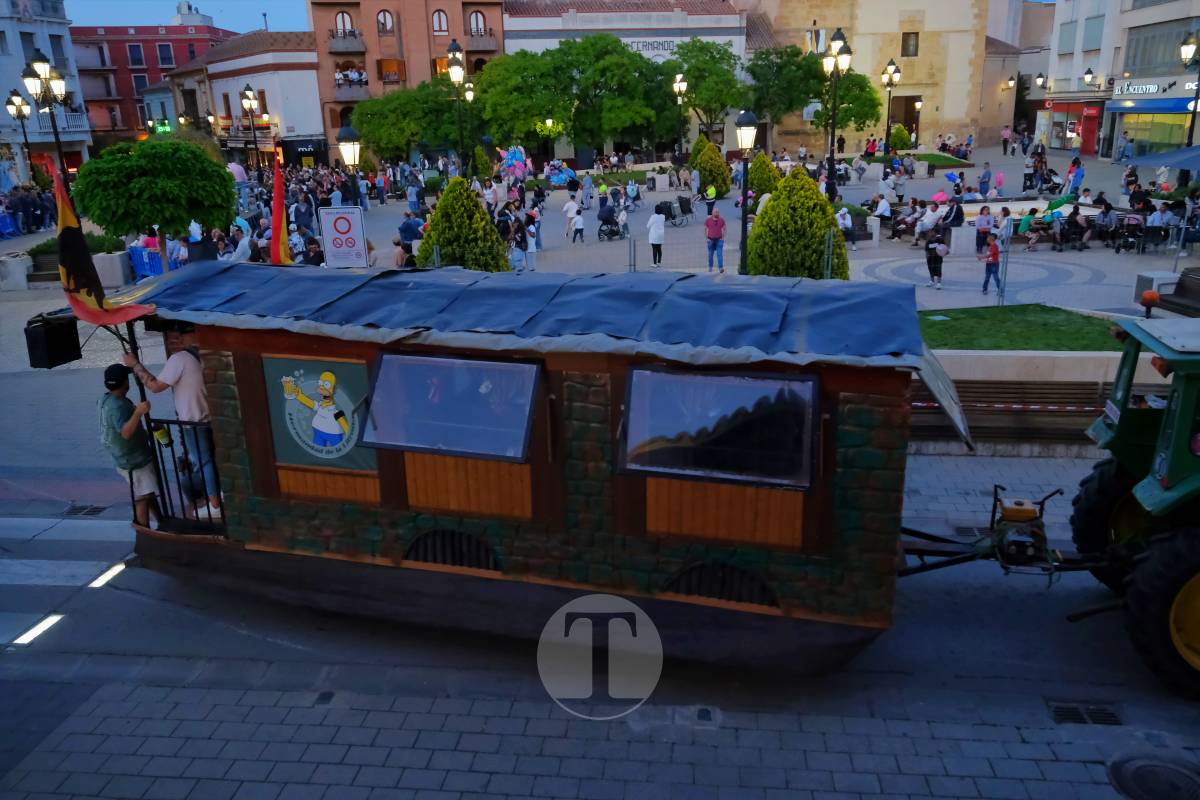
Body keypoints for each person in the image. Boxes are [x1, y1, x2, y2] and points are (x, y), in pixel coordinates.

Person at [122, 330, 219, 517]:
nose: (175, 338)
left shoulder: (180, 358)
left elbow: (156, 386)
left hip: (194, 420)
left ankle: (214, 504)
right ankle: (216, 497)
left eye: (179, 334)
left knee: (203, 462)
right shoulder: (202, 355)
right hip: (208, 418)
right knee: (208, 459)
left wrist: (135, 365)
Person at [99, 364, 160, 528]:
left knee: (147, 491)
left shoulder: (107, 399)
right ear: (124, 382)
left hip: (124, 457)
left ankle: (161, 521)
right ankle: (144, 531)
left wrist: (134, 410)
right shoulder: (117, 406)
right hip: (133, 460)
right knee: (142, 496)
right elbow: (125, 432)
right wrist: (138, 412)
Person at [704, 207, 726, 273]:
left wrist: (722, 238)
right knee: (710, 254)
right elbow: (705, 229)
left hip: (719, 239)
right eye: (715, 212)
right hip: (710, 240)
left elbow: (724, 228)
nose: (717, 213)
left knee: (719, 254)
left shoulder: (721, 220)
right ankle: (710, 267)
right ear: (712, 213)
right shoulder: (708, 220)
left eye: (718, 212)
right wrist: (707, 238)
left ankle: (721, 268)